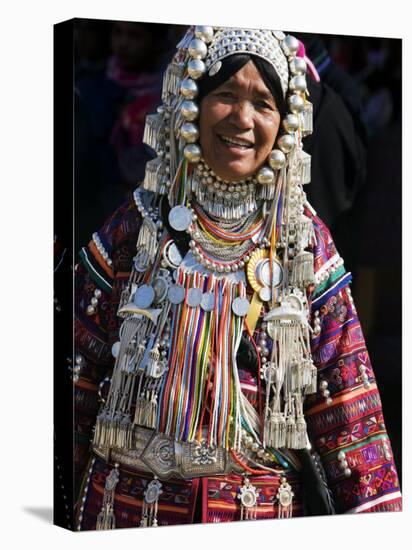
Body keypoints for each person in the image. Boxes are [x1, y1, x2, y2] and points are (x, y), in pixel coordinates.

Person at [73, 25, 402, 530]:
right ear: (193, 104)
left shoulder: (305, 246)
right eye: (225, 95)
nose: (243, 119)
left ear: (286, 120)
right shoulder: (134, 227)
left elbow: (351, 418)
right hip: (125, 518)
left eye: (263, 103)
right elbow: (72, 381)